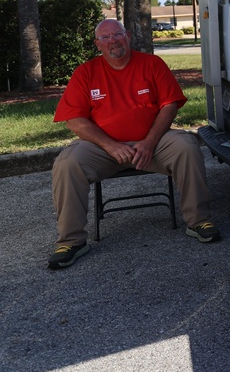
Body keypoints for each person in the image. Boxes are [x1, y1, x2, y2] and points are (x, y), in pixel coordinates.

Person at [48, 19, 219, 270]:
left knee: (187, 146)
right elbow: (74, 120)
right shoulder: (86, 72)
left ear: (127, 36)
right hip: (104, 148)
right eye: (105, 38)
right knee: (67, 164)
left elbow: (169, 105)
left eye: (117, 34)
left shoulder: (152, 64)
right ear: (98, 44)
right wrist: (111, 146)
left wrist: (149, 142)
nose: (113, 41)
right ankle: (71, 241)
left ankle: (198, 221)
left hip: (153, 143)